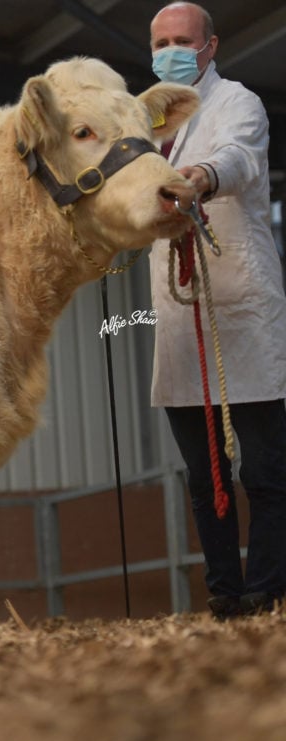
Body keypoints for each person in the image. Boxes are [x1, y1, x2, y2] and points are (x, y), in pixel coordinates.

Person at [148, 2, 286, 620]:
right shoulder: (146, 117)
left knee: (264, 468)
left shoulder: (239, 102)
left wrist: (199, 175)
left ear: (210, 46)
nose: (171, 50)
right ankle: (226, 597)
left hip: (241, 305)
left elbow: (239, 157)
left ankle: (268, 592)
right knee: (204, 479)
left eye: (182, 40)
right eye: (161, 41)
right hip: (180, 316)